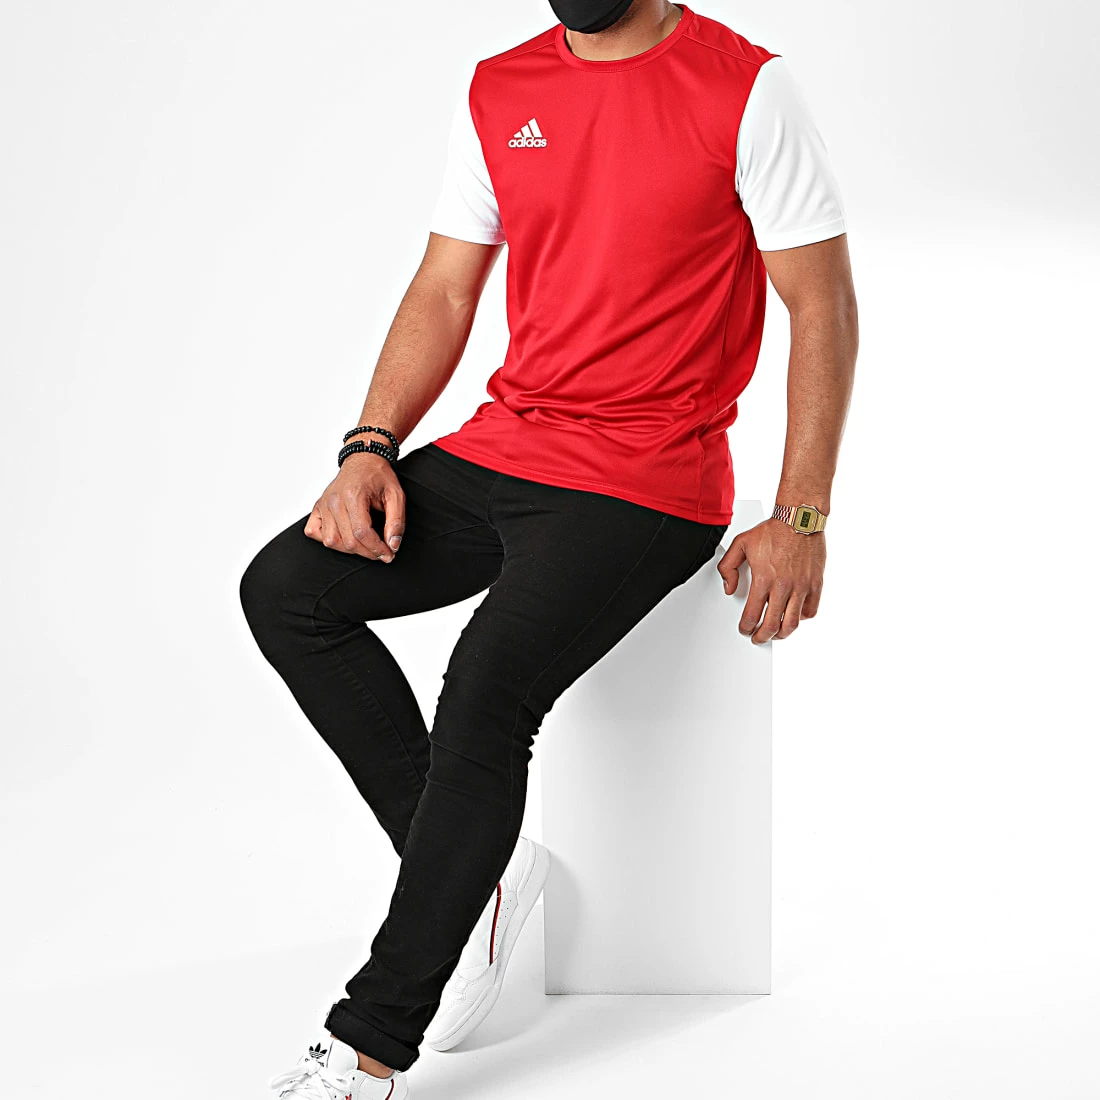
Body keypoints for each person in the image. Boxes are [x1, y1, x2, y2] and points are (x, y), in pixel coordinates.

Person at [240, 1, 857, 1096]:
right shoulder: (501, 87)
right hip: (509, 443)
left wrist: (801, 515)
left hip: (649, 477)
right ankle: (475, 877)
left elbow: (822, 305)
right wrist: (370, 445)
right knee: (288, 587)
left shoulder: (745, 87)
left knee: (485, 689)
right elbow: (445, 284)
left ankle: (369, 1045)